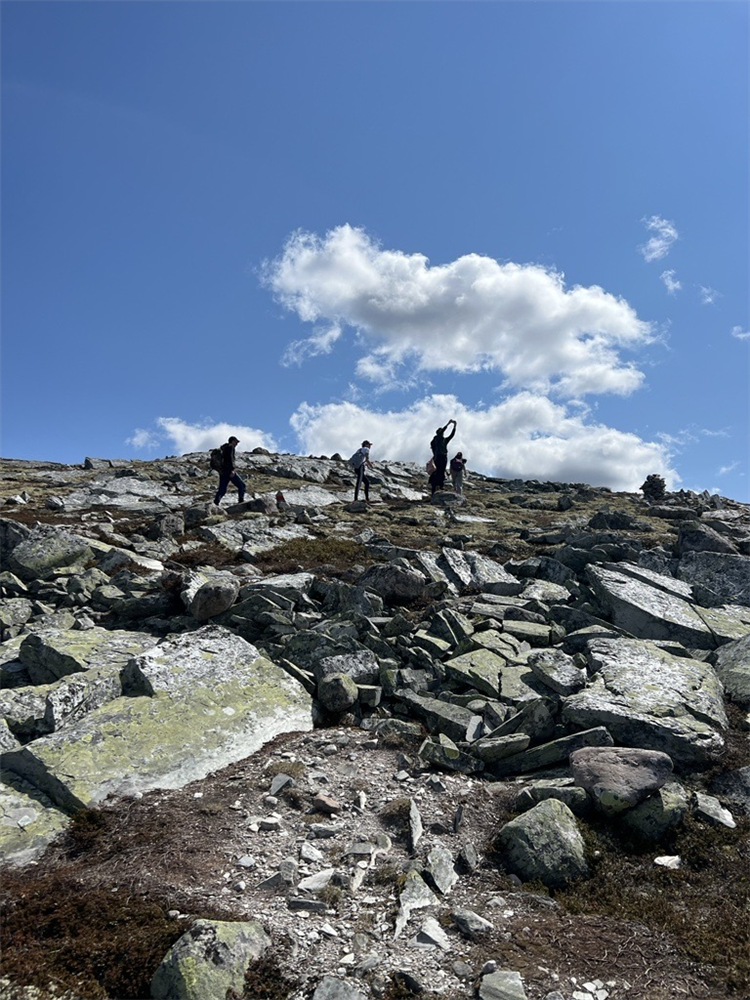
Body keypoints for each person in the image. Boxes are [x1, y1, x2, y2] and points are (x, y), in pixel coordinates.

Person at [213, 436, 246, 505]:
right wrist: (233, 470)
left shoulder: (224, 448)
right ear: (232, 441)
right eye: (236, 442)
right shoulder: (231, 447)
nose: (237, 444)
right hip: (229, 471)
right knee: (242, 485)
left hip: (222, 471)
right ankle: (241, 501)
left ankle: (216, 503)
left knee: (222, 489)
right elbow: (230, 459)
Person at [430, 419, 456, 494]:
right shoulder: (437, 439)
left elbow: (451, 436)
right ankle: (434, 486)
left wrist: (454, 427)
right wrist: (448, 424)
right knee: (437, 471)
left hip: (444, 457)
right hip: (438, 457)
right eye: (441, 432)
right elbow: (441, 432)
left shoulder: (444, 440)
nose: (443, 433)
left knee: (441, 471)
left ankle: (440, 486)